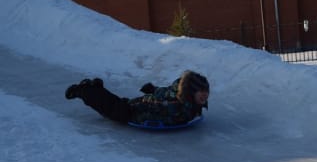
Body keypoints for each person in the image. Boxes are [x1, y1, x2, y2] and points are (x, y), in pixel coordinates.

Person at [65, 70, 209, 126]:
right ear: (190, 92)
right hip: (135, 112)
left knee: (111, 107)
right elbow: (156, 110)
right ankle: (84, 90)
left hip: (143, 105)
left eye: (206, 91)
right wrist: (139, 116)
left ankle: (97, 89)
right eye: (201, 91)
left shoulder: (185, 98)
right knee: (112, 110)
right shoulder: (174, 104)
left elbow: (164, 91)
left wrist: (153, 89)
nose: (205, 95)